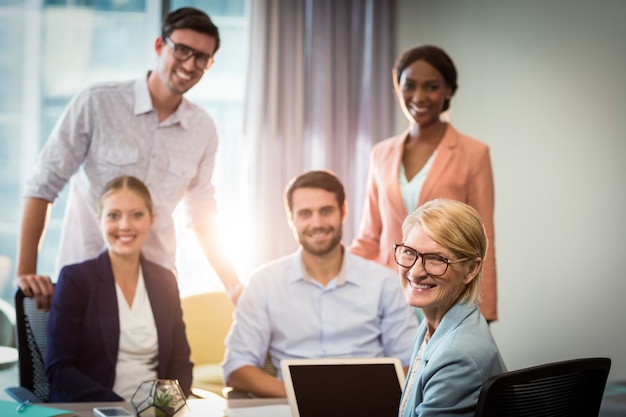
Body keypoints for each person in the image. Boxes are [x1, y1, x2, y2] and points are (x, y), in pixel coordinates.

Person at [16, 7, 243, 310]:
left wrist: (234, 286)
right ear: (160, 46)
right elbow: (43, 185)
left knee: (166, 359)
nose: (190, 64)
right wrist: (25, 272)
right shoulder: (97, 103)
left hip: (156, 288)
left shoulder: (203, 129)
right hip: (85, 282)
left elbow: (202, 216)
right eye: (183, 51)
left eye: (202, 57)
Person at [222, 170, 419, 398]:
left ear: (343, 211)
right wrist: (308, 396)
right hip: (290, 404)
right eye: (305, 214)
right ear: (291, 219)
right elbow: (236, 368)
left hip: (368, 405)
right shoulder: (264, 283)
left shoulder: (385, 283)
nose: (317, 223)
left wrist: (357, 395)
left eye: (326, 211)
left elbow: (410, 363)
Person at [350, 45, 497, 322]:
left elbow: (484, 240)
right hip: (391, 296)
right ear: (398, 88)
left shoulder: (474, 154)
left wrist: (484, 312)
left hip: (446, 294)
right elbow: (369, 236)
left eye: (431, 87)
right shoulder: (381, 153)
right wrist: (327, 266)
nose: (418, 97)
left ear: (448, 91)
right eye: (409, 86)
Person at [45, 175, 192, 402]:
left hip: (155, 411)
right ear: (100, 220)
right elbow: (59, 370)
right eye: (114, 215)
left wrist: (162, 406)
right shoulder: (75, 280)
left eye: (137, 215)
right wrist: (121, 409)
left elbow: (181, 364)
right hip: (95, 410)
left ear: (150, 220)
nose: (125, 225)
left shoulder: (165, 282)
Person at [395, 198, 506, 417]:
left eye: (436, 259)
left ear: (470, 270)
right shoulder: (437, 322)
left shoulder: (457, 357)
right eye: (409, 252)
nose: (416, 272)